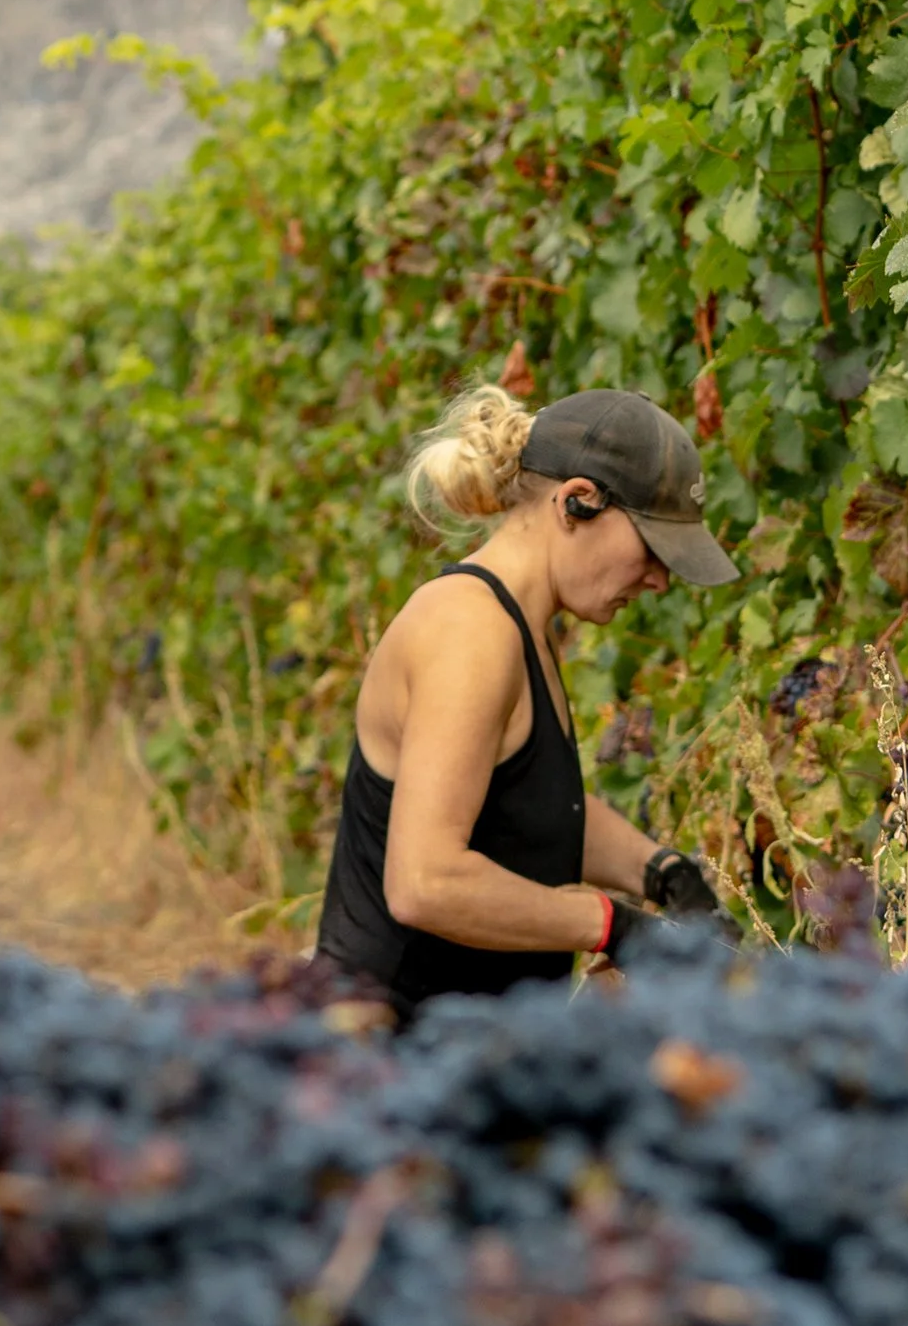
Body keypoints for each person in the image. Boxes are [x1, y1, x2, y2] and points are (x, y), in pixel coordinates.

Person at [314, 384, 733, 1017]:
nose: (659, 579)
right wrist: (609, 925)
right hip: (388, 1060)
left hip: (463, 1045)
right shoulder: (470, 633)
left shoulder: (518, 628)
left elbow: (532, 808)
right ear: (576, 503)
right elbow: (425, 884)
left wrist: (660, 871)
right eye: (652, 548)